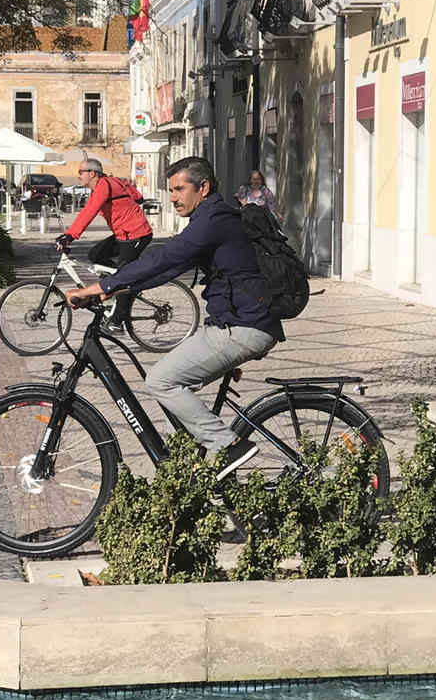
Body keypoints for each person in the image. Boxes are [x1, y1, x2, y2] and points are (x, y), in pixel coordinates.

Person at [71, 156, 284, 479]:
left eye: (179, 189)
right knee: (175, 381)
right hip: (236, 322)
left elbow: (166, 256)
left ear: (203, 188)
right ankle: (197, 473)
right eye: (170, 190)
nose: (172, 197)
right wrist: (116, 291)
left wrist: (104, 284)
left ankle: (227, 445)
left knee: (161, 381)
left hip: (242, 327)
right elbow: (171, 268)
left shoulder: (213, 220)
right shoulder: (210, 218)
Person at [56, 159, 153, 333]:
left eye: (81, 172)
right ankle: (113, 286)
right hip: (123, 234)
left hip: (136, 234)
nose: (78, 175)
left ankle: (117, 321)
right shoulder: (110, 182)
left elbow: (89, 212)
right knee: (96, 255)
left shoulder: (103, 186)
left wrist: (70, 236)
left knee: (124, 278)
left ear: (92, 173)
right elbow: (137, 197)